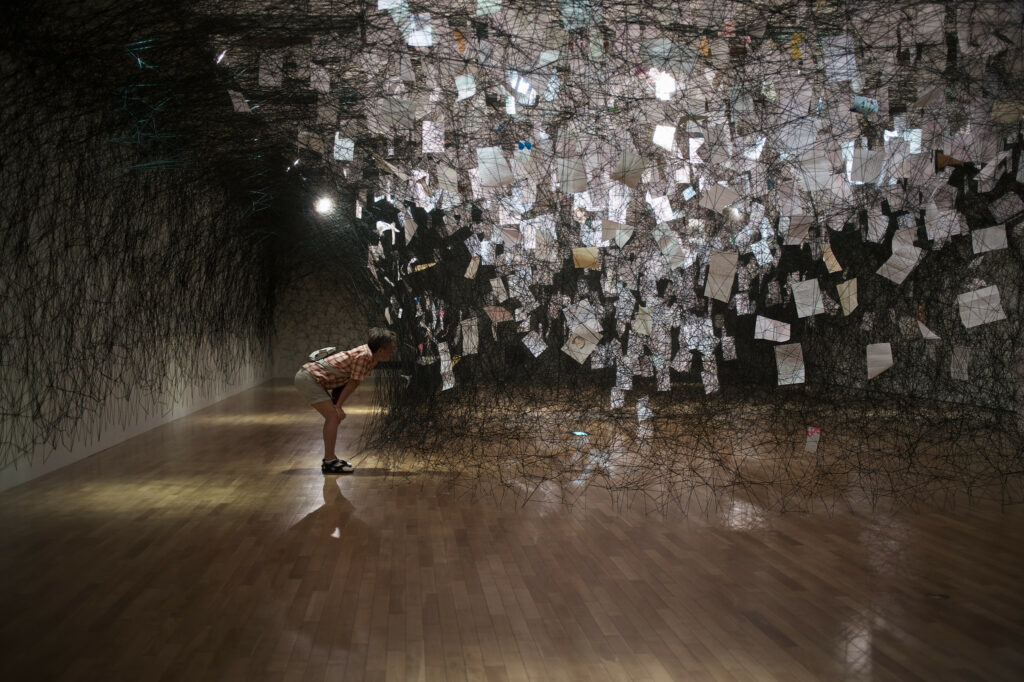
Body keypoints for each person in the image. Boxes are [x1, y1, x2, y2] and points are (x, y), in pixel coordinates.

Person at [293, 328, 397, 474]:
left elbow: (343, 381)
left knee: (334, 416)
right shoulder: (365, 356)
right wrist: (338, 407)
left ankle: (331, 459)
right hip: (309, 379)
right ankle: (329, 462)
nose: (393, 352)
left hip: (311, 378)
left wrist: (337, 405)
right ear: (380, 350)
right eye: (391, 349)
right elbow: (352, 383)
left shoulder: (370, 357)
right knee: (333, 417)